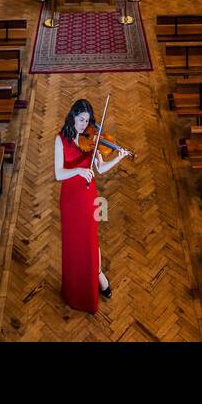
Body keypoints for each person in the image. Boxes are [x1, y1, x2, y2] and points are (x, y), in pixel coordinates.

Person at [54, 98, 127, 313]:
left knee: (90, 240)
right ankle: (75, 289)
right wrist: (77, 170)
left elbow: (101, 170)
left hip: (88, 196)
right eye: (80, 119)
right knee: (73, 244)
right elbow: (59, 173)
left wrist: (118, 158)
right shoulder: (61, 140)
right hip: (70, 199)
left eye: (87, 120)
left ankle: (98, 275)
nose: (84, 125)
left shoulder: (93, 140)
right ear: (72, 117)